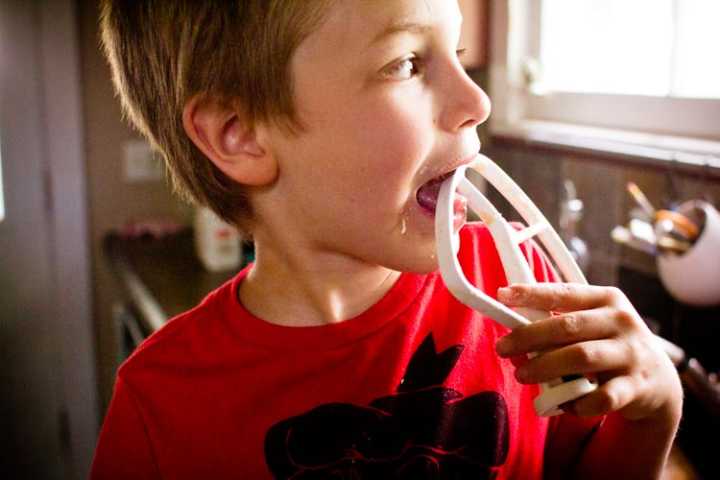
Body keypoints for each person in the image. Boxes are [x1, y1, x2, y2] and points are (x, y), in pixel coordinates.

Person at [91, 1, 683, 478]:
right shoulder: (160, 405)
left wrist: (653, 415)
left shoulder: (519, 288)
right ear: (240, 135)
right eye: (405, 63)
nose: (477, 101)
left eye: (456, 52)